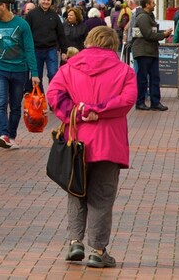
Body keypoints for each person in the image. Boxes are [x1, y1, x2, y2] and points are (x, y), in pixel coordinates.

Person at [48, 26, 137, 269]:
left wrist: (75, 112)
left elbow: (54, 94)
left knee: (76, 190)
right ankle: (98, 250)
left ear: (88, 41)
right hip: (109, 142)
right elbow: (127, 100)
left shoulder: (69, 68)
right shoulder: (125, 71)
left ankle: (76, 241)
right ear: (113, 44)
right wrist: (99, 110)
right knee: (102, 196)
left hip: (76, 139)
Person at [0, 0, 39, 149]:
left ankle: (12, 136)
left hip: (20, 70)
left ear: (3, 6)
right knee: (1, 103)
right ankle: (3, 134)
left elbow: (29, 49)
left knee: (15, 105)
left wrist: (34, 72)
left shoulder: (22, 25)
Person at [132, 0, 172, 111]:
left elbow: (152, 32)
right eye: (152, 3)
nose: (154, 5)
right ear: (146, 5)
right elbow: (148, 34)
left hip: (151, 51)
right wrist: (163, 35)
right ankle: (140, 102)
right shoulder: (143, 17)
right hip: (143, 51)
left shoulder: (150, 16)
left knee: (155, 77)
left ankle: (155, 102)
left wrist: (164, 33)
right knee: (143, 78)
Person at [25, 0, 64, 93]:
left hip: (51, 49)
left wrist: (63, 49)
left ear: (51, 2)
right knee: (37, 76)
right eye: (44, 0)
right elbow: (26, 33)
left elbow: (61, 33)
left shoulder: (55, 16)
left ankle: (53, 98)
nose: (46, 2)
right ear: (40, 0)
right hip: (36, 50)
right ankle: (40, 99)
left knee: (53, 74)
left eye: (48, 0)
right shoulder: (31, 15)